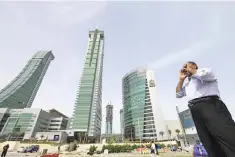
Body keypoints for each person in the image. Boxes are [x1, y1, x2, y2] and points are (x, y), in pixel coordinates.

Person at [176, 61, 235, 157]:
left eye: (186, 66)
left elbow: (203, 75)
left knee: (227, 135)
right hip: (195, 110)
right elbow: (178, 94)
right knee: (208, 141)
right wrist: (181, 79)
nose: (184, 68)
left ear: (194, 66)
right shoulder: (188, 85)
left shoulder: (205, 72)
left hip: (210, 105)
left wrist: (191, 70)